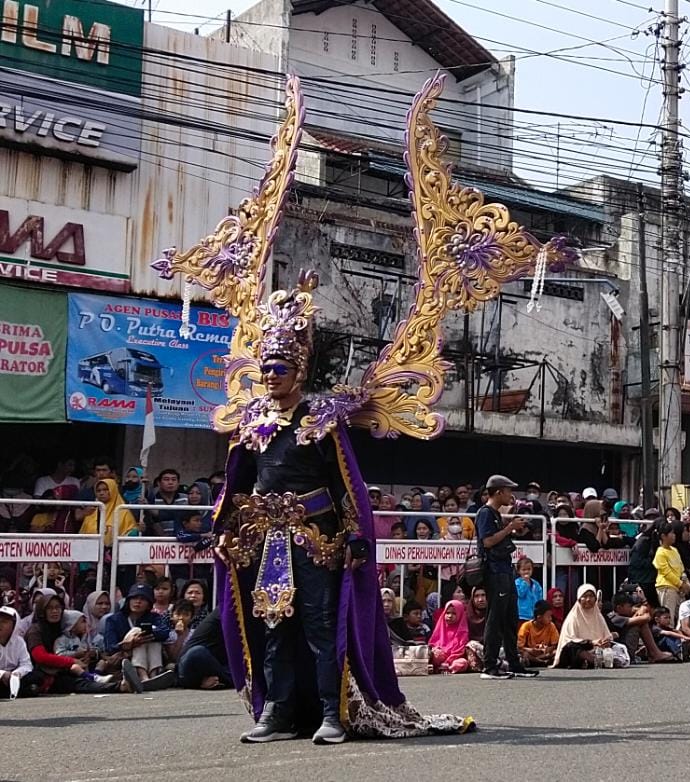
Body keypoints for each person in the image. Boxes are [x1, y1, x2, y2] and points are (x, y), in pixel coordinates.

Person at [210, 276, 471, 744]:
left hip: (317, 539)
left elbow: (345, 484)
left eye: (280, 369)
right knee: (274, 625)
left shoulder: (321, 421)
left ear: (299, 373)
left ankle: (333, 711)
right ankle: (278, 712)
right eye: (266, 368)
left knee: (320, 625)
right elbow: (237, 484)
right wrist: (225, 527)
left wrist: (354, 536)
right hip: (268, 543)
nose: (270, 376)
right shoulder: (253, 424)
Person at [475, 475, 538, 680]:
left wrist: (511, 527)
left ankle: (514, 663)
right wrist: (509, 528)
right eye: (509, 491)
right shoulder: (485, 513)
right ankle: (489, 666)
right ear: (499, 491)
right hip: (494, 571)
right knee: (495, 619)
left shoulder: (495, 514)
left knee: (510, 618)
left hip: (504, 569)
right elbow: (487, 542)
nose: (511, 495)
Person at [100, 584, 176, 693]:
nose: (138, 602)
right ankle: (143, 675)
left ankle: (153, 675)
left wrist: (144, 635)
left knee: (147, 635)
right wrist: (127, 644)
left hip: (149, 655)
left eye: (142, 599)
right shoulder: (114, 619)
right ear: (128, 600)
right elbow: (110, 647)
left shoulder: (154, 617)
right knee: (136, 631)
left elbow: (164, 632)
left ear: (149, 603)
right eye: (134, 598)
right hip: (125, 655)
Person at [552, 584, 629, 669]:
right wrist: (591, 642)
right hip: (575, 653)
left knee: (618, 647)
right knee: (571, 647)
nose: (588, 599)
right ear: (579, 599)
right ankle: (595, 661)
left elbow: (606, 636)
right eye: (584, 596)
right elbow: (569, 640)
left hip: (597, 650)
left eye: (591, 596)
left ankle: (593, 661)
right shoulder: (573, 617)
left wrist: (605, 642)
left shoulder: (598, 617)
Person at [607, 591, 672, 663]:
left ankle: (653, 652)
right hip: (622, 651)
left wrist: (642, 609)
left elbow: (643, 610)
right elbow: (646, 618)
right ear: (619, 607)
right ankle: (654, 653)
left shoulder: (622, 613)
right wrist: (642, 611)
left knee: (640, 621)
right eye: (629, 606)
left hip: (624, 647)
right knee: (640, 624)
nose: (631, 608)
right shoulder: (614, 618)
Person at [176, 611, 231, 689]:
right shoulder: (226, 613)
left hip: (215, 667)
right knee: (197, 652)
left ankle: (218, 680)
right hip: (188, 668)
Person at [653, 521, 688, 619]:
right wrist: (681, 584)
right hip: (667, 588)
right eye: (671, 533)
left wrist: (686, 583)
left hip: (679, 588)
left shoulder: (674, 550)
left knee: (683, 617)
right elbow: (666, 572)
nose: (674, 535)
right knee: (669, 618)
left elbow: (681, 568)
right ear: (663, 536)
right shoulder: (660, 552)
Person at [517, 600, 560, 667]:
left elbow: (555, 644)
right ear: (539, 618)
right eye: (548, 616)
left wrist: (547, 649)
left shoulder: (551, 626)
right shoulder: (526, 626)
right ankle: (540, 662)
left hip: (544, 654)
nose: (550, 619)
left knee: (557, 652)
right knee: (523, 654)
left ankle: (538, 661)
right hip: (530, 653)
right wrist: (531, 650)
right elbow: (519, 647)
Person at [513, 556, 544, 622]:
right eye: (524, 570)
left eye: (529, 569)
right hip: (521, 615)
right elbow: (520, 594)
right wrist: (525, 583)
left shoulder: (536, 584)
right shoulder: (517, 583)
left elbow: (540, 597)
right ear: (518, 571)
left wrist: (539, 609)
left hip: (534, 615)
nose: (526, 572)